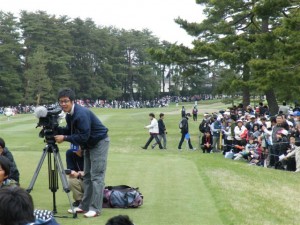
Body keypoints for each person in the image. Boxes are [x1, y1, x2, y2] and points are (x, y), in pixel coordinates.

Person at [54, 88, 109, 218]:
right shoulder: (70, 115)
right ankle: (84, 206)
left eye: (66, 101)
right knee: (88, 176)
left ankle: (95, 209)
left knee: (97, 176)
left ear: (72, 101)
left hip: (99, 142)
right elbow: (69, 130)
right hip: (89, 144)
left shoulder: (81, 113)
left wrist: (65, 138)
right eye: (60, 102)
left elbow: (83, 136)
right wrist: (56, 129)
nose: (63, 104)